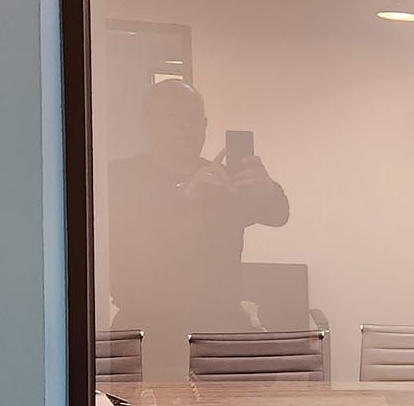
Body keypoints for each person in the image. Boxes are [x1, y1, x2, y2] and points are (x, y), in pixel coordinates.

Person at [107, 80, 289, 378]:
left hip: (219, 332)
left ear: (205, 125)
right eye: (174, 116)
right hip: (148, 330)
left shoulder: (224, 179)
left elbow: (279, 214)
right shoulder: (121, 177)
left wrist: (266, 189)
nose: (185, 126)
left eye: (194, 118)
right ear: (147, 122)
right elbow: (125, 237)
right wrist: (184, 199)